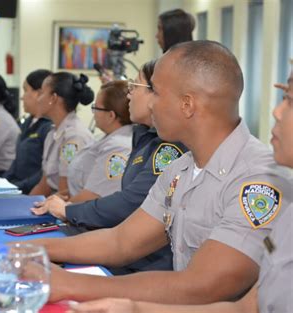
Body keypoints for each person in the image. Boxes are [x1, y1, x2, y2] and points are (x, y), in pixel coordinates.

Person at [28, 41, 291, 304]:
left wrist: (71, 284)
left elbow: (202, 286)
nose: (150, 104)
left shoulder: (258, 180)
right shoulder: (180, 169)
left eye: (156, 92)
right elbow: (121, 242)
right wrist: (32, 249)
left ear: (187, 105)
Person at [32, 61, 186, 274]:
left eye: (135, 86)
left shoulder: (167, 147)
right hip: (127, 251)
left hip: (146, 265)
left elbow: (131, 202)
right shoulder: (145, 137)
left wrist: (68, 210)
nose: (129, 95)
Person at [29, 72, 95, 197]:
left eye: (42, 93)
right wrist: (23, 205)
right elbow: (45, 183)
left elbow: (65, 193)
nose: (38, 99)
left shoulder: (74, 137)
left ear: (53, 98)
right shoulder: (53, 132)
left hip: (65, 209)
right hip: (52, 202)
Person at [3, 69, 53, 194]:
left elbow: (45, 172)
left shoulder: (48, 127)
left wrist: (18, 186)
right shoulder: (27, 122)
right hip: (17, 187)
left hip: (31, 191)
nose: (21, 97)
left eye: (26, 90)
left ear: (39, 93)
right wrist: (4, 182)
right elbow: (17, 160)